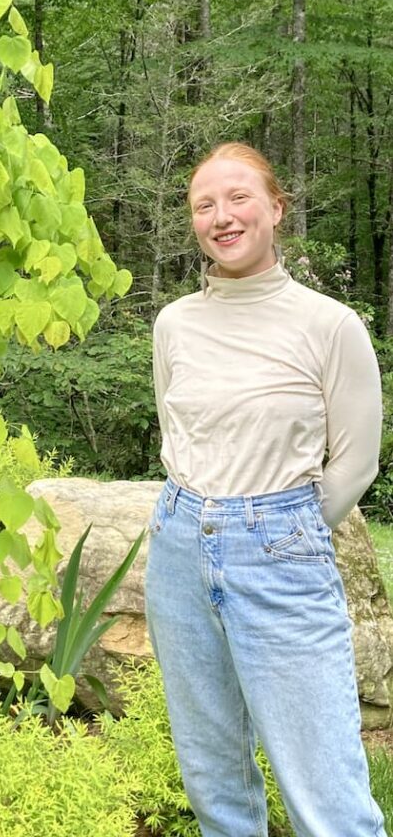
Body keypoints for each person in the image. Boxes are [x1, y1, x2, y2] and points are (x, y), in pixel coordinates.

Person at [145, 141, 385, 836]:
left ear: (276, 208)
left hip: (282, 555)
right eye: (204, 205)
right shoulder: (174, 325)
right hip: (179, 551)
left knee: (327, 798)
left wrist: (286, 531)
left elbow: (356, 463)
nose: (222, 217)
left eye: (239, 198)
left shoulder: (330, 326)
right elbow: (177, 435)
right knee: (214, 779)